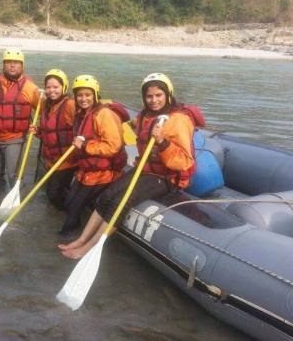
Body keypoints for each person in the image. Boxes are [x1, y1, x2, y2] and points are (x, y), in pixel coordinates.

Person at [59, 73, 201, 259]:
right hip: (146, 169)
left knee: (120, 202)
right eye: (149, 96)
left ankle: (89, 248)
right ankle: (81, 240)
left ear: (168, 94)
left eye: (158, 95)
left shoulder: (178, 120)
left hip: (166, 178)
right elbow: (133, 129)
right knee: (106, 196)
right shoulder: (146, 115)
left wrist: (162, 141)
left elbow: (184, 161)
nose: (153, 100)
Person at [58, 74, 130, 236]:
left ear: (95, 95)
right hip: (86, 172)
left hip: (104, 173)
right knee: (69, 202)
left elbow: (113, 146)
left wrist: (84, 145)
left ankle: (66, 237)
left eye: (88, 95)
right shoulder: (81, 114)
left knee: (74, 208)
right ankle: (74, 229)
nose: (84, 99)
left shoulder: (104, 114)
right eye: (80, 95)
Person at [0, 49, 40, 191]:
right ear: (3, 65)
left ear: (22, 66)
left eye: (16, 63)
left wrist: (39, 129)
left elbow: (43, 108)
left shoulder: (30, 87)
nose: (12, 66)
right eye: (8, 62)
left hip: (15, 139)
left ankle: (18, 201)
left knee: (13, 176)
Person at [30, 69, 77, 210]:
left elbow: (83, 126)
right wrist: (38, 131)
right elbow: (51, 133)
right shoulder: (46, 105)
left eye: (55, 87)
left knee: (53, 193)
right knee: (51, 192)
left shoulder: (70, 105)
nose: (51, 91)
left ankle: (67, 214)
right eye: (48, 87)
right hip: (51, 160)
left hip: (66, 161)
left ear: (64, 87)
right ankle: (58, 214)